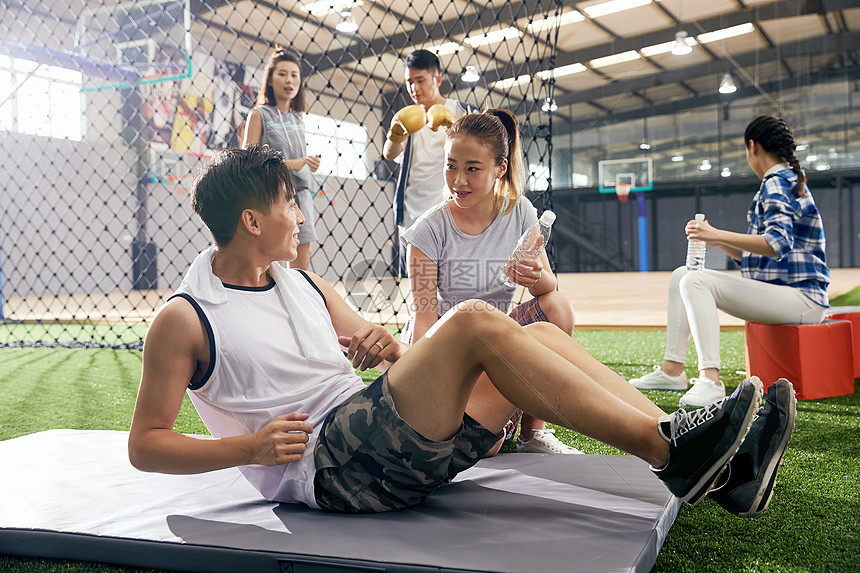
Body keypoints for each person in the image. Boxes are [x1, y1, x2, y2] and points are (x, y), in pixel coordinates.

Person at [128, 145, 795, 519]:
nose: (298, 215)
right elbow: (146, 445)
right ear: (252, 220)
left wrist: (385, 345)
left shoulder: (303, 283)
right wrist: (248, 445)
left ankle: (718, 465)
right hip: (328, 466)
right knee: (478, 321)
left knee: (537, 336)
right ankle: (675, 456)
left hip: (375, 429)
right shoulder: (186, 318)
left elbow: (380, 347)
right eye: (287, 203)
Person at [401, 109, 578, 455]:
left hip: (498, 334)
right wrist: (427, 390)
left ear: (499, 169)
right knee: (487, 446)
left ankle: (533, 434)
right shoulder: (428, 230)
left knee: (559, 307)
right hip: (447, 341)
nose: (458, 180)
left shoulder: (521, 212)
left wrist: (534, 275)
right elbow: (424, 315)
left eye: (472, 168)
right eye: (451, 165)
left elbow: (548, 289)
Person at [630, 116, 829, 409]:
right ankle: (673, 370)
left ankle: (710, 379)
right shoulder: (785, 180)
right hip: (788, 294)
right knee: (681, 275)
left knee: (694, 280)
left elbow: (777, 243)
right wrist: (718, 241)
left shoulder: (776, 181)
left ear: (753, 146)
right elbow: (761, 255)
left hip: (802, 299)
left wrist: (717, 233)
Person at [382, 49, 477, 275]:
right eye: (409, 82)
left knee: (455, 282)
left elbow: (483, 151)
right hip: (414, 211)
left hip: (454, 210)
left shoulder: (464, 111)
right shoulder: (408, 117)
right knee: (420, 286)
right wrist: (396, 133)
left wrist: (455, 125)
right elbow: (389, 154)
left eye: (420, 80)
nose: (414, 88)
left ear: (437, 79)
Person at [243, 46, 320, 271]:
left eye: (294, 75)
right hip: (271, 199)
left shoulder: (298, 120)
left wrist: (308, 164)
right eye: (282, 74)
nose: (289, 80)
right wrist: (289, 165)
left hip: (302, 198)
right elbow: (248, 162)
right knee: (272, 264)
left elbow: (300, 161)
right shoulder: (258, 115)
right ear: (270, 79)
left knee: (302, 263)